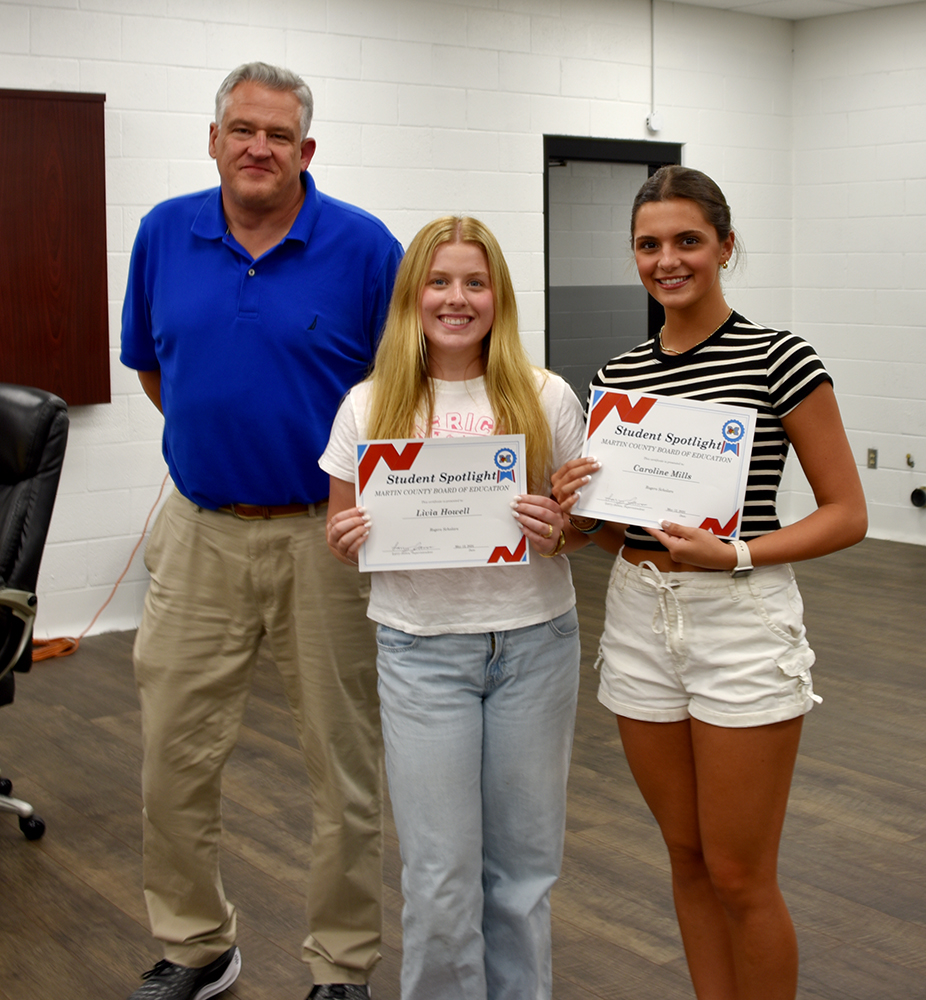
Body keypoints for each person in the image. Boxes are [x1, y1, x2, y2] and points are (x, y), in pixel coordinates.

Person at [119, 62, 403, 1000]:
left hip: (328, 541)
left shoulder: (365, 249)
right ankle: (199, 945)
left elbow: (402, 394)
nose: (258, 148)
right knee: (173, 757)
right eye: (242, 129)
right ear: (213, 140)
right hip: (198, 532)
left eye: (279, 135)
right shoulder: (163, 233)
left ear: (305, 151)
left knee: (344, 767)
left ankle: (341, 966)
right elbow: (157, 373)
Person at [552, 166, 868, 1000]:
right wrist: (577, 507)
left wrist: (734, 556)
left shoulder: (780, 358)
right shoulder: (621, 374)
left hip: (738, 615)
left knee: (738, 873)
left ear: (726, 246)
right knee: (687, 859)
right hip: (636, 616)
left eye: (688, 240)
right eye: (649, 244)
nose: (668, 260)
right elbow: (615, 525)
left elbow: (847, 513)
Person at [321, 216, 587, 1000]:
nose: (457, 299)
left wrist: (561, 529)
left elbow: (583, 525)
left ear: (498, 297)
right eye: (439, 282)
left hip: (535, 648)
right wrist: (347, 539)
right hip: (421, 652)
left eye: (475, 282)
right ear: (413, 297)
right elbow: (341, 528)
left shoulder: (545, 396)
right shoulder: (369, 406)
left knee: (523, 874)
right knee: (438, 878)